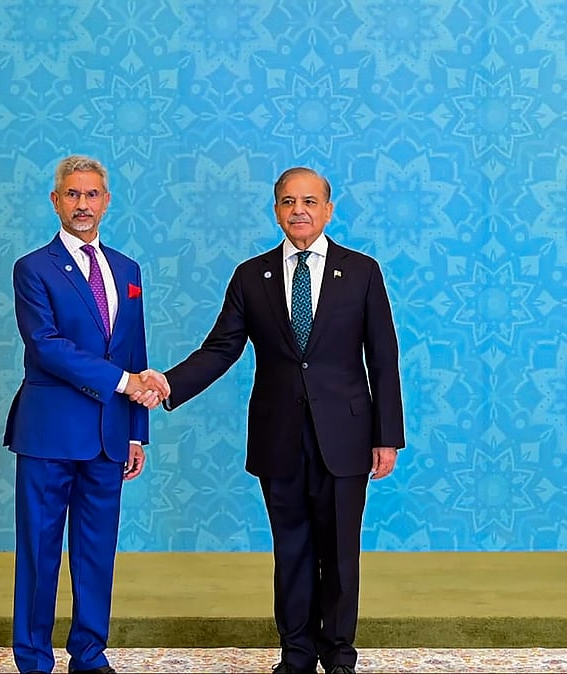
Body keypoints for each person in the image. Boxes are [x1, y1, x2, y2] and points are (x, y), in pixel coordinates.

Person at [152, 167, 405, 674]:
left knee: (340, 553)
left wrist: (387, 437)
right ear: (276, 211)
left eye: (310, 201)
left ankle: (339, 655)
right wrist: (167, 384)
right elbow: (220, 348)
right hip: (279, 436)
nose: (299, 211)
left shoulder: (361, 272)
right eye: (289, 202)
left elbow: (383, 356)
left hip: (347, 436)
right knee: (291, 550)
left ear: (328, 210)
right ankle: (296, 654)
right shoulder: (252, 276)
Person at [3, 154, 170, 674]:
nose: (82, 204)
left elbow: (134, 349)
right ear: (56, 201)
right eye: (72, 194)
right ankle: (34, 660)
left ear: (106, 201)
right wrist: (123, 383)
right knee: (39, 552)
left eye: (91, 194)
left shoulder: (127, 269)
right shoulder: (33, 268)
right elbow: (46, 345)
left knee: (97, 552)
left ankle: (90, 655)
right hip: (48, 434)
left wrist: (137, 432)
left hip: (109, 435)